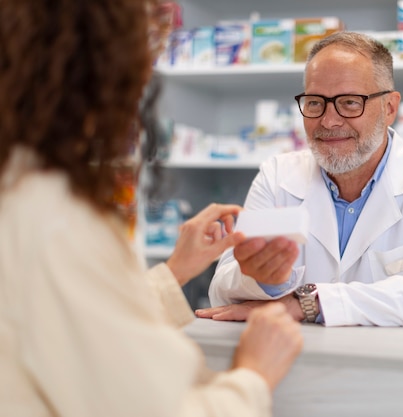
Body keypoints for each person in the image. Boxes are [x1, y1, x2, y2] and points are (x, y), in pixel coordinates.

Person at [0, 2, 302, 417]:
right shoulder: (56, 217)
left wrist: (175, 270)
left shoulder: (19, 188)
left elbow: (72, 324)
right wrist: (253, 374)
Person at [199, 31, 403, 327]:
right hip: (294, 363)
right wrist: (264, 281)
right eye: (314, 103)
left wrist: (307, 302)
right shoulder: (276, 177)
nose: (329, 120)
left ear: (389, 108)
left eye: (350, 102)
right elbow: (223, 289)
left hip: (397, 368)